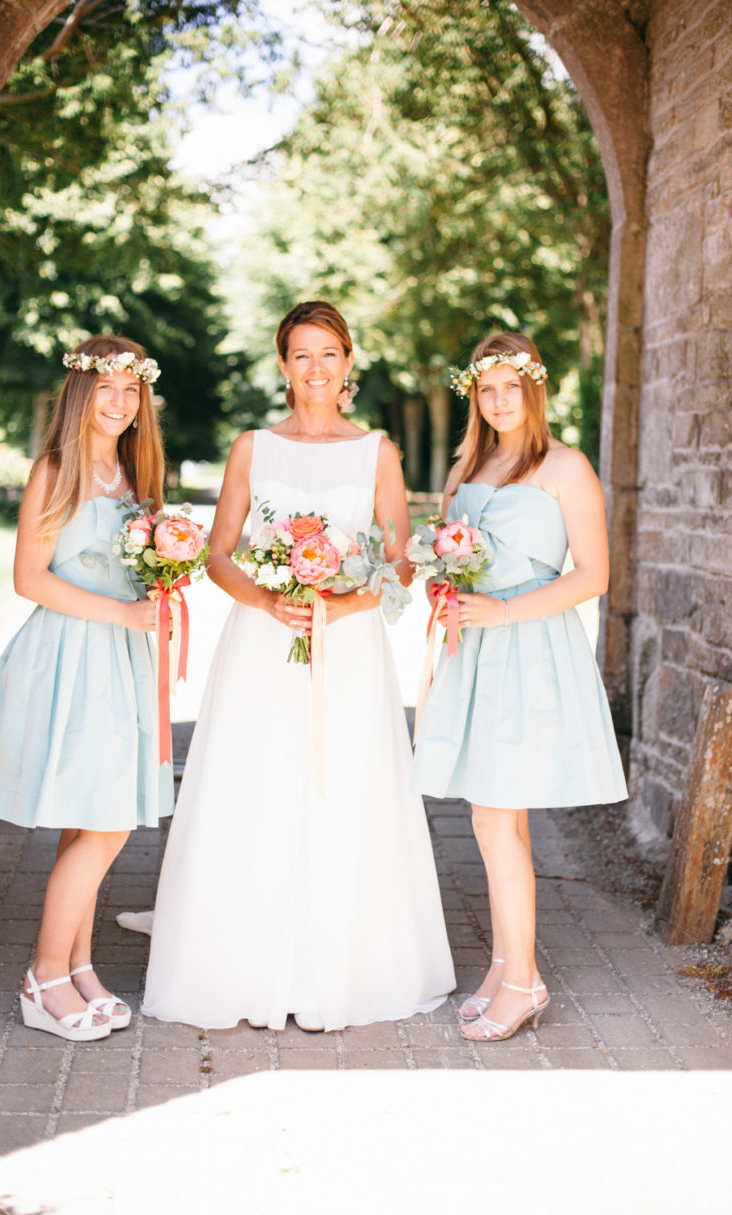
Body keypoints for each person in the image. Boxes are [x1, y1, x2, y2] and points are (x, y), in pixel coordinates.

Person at [137, 300, 454, 1032]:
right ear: (283, 365)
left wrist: (341, 606)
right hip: (261, 642)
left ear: (349, 362)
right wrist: (265, 596)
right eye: (301, 354)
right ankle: (244, 960)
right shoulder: (254, 447)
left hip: (347, 645)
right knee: (258, 781)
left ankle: (336, 966)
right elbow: (218, 554)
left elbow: (401, 559)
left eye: (329, 353)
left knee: (343, 785)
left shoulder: (377, 450)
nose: (316, 367)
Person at [411, 331, 627, 1043]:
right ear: (475, 394)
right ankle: (505, 966)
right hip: (474, 648)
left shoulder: (566, 466)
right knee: (486, 817)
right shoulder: (472, 462)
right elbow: (447, 551)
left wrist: (501, 608)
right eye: (486, 388)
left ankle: (525, 978)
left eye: (511, 386)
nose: (499, 400)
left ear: (534, 387)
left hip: (528, 648)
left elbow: (591, 576)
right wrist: (442, 585)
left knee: (502, 818)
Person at [0, 336, 173, 1042]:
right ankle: (42, 976)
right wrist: (122, 611)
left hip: (119, 655)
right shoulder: (57, 469)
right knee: (108, 818)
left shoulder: (134, 474)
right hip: (72, 653)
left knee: (92, 816)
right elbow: (29, 578)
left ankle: (79, 966)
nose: (119, 403)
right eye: (106, 389)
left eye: (130, 390)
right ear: (81, 394)